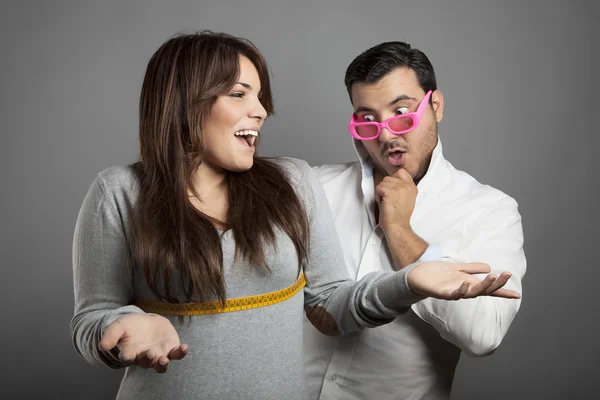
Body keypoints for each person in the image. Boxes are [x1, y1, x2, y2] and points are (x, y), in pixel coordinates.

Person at [70, 32, 519, 400]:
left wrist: (409, 273)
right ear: (186, 101)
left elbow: (331, 301)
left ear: (434, 106)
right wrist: (119, 325)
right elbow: (93, 320)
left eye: (401, 115)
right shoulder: (118, 192)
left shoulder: (293, 182)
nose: (262, 111)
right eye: (240, 93)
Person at [303, 41, 527, 400]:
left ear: (435, 106)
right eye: (368, 120)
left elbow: (484, 336)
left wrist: (400, 231)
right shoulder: (314, 188)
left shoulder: (488, 210)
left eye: (402, 112)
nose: (388, 134)